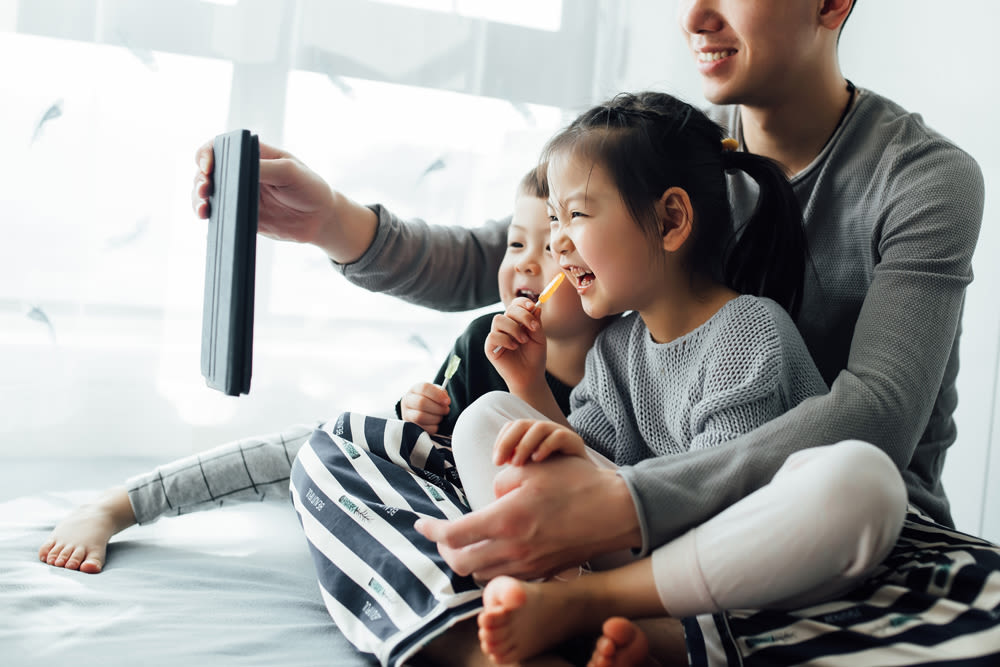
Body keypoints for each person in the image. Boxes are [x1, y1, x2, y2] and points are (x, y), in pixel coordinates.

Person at [189, 0, 998, 662]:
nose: (695, 15)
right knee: (370, 439)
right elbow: (513, 260)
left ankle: (597, 608)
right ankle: (495, 636)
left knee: (862, 481)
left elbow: (880, 412)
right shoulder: (677, 155)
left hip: (829, 529)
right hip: (641, 513)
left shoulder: (923, 177)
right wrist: (330, 220)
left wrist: (620, 503)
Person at [444, 91, 902, 665]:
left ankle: (615, 613)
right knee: (484, 417)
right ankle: (573, 594)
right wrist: (529, 388)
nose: (558, 242)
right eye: (554, 218)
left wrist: (600, 497)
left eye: (576, 216)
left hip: (741, 553)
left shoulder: (747, 331)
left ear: (670, 220)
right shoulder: (616, 348)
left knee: (860, 481)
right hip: (644, 549)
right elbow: (585, 481)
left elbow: (713, 501)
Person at [37, 166, 608, 577]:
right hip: (439, 494)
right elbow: (428, 444)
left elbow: (599, 480)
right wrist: (422, 412)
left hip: (517, 533)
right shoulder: (482, 336)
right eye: (514, 243)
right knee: (322, 442)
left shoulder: (617, 365)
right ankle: (125, 503)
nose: (526, 262)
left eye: (556, 248)